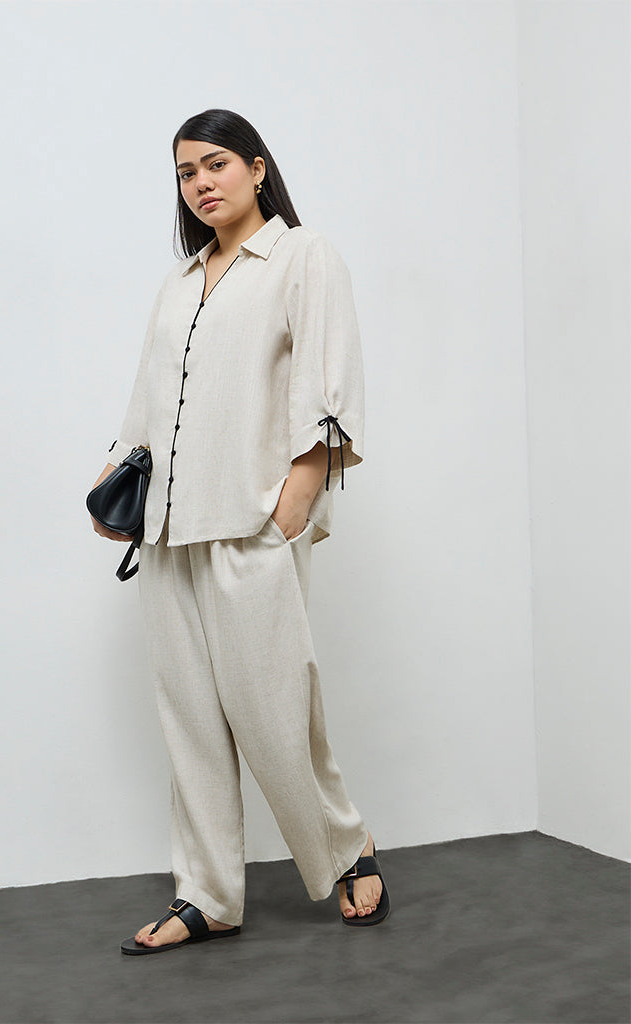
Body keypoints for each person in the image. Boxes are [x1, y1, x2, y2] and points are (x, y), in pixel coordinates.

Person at [88, 108, 390, 956]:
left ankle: (346, 847)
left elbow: (330, 381)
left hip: (248, 522)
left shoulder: (302, 257)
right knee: (189, 720)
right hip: (166, 533)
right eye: (187, 172)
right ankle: (209, 894)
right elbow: (147, 399)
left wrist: (294, 501)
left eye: (216, 163)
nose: (201, 183)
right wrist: (115, 486)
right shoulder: (180, 281)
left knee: (273, 711)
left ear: (257, 168)